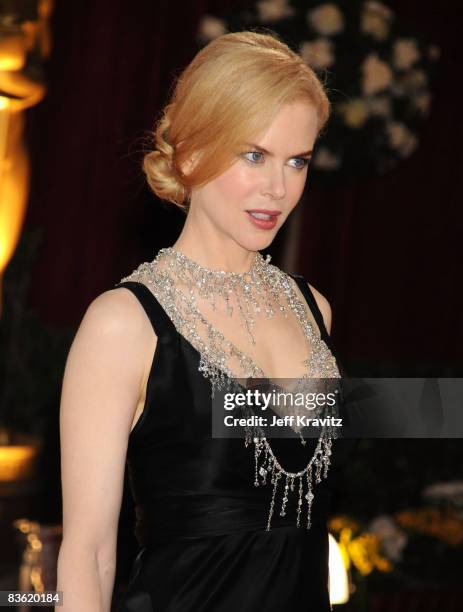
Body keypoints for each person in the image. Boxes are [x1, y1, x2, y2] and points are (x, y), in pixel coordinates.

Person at [57, 30, 351, 612]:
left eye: (297, 161)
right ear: (190, 152)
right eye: (253, 155)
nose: (279, 187)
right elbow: (88, 557)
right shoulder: (122, 325)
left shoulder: (314, 309)